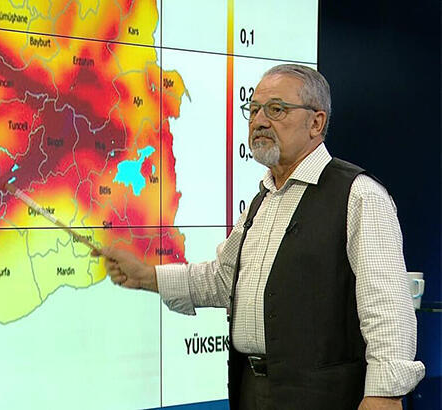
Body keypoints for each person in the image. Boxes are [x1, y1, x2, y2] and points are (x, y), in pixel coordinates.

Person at [97, 64, 424, 410]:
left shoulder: (359, 195)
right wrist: (147, 276)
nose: (259, 121)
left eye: (276, 109)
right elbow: (224, 279)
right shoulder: (262, 200)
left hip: (325, 397)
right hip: (253, 391)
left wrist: (384, 394)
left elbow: (388, 306)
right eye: (253, 110)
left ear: (316, 123)